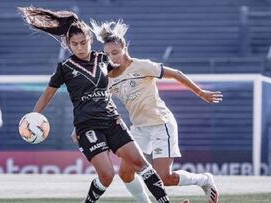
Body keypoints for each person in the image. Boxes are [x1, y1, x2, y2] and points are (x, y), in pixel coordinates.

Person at [19, 7, 170, 203]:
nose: (80, 47)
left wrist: (137, 70)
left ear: (90, 40)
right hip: (87, 126)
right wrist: (33, 117)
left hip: (112, 121)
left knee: (141, 164)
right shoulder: (65, 68)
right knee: (107, 176)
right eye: (75, 44)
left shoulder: (103, 59)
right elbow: (48, 94)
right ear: (69, 45)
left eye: (83, 42)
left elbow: (122, 73)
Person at [90, 20, 223, 203]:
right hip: (139, 129)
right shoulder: (109, 79)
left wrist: (200, 92)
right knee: (125, 173)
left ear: (124, 47)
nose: (112, 57)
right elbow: (99, 102)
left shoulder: (142, 66)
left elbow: (176, 73)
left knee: (164, 178)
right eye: (107, 54)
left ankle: (204, 180)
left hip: (161, 123)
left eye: (115, 52)